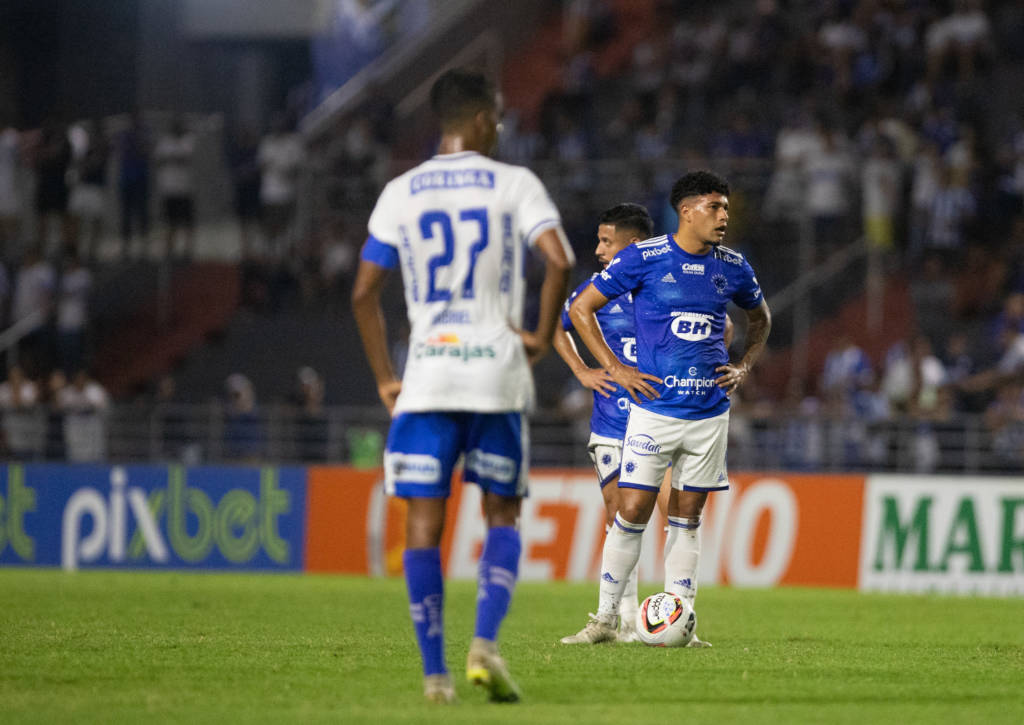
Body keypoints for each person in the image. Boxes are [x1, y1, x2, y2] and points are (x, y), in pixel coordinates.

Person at [351, 68, 574, 704]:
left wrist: (386, 377)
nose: (499, 127)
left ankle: (435, 676)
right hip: (495, 373)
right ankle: (484, 644)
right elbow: (558, 259)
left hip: (427, 377)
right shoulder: (515, 184)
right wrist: (538, 337)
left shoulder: (400, 191)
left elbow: (364, 292)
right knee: (502, 512)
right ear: (479, 119)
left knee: (424, 523)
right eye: (497, 117)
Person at [563, 170, 770, 647]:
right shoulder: (645, 258)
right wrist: (615, 369)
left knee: (687, 516)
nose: (724, 216)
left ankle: (681, 621)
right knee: (631, 510)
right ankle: (605, 619)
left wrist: (744, 366)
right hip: (654, 410)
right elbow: (580, 309)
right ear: (687, 211)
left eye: (726, 208)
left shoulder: (733, 266)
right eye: (715, 207)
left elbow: (760, 317)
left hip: (709, 414)